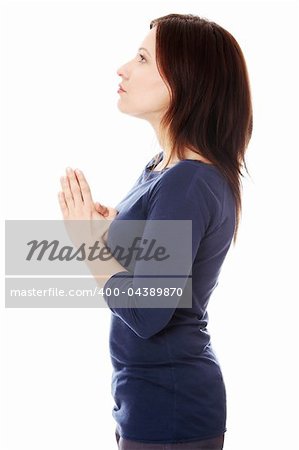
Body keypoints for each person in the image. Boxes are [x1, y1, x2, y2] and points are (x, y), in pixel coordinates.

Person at [58, 12, 252, 450]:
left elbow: (147, 311)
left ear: (186, 81)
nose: (123, 68)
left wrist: (88, 245)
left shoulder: (189, 180)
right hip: (147, 403)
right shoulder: (161, 170)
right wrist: (113, 231)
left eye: (143, 59)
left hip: (171, 408)